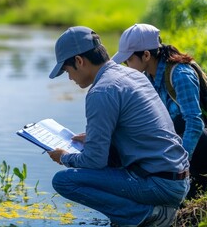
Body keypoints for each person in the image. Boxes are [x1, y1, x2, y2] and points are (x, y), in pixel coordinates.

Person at [47, 26, 190, 227]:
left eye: (66, 70)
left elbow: (94, 160)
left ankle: (147, 215)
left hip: (160, 185)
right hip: (179, 180)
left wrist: (64, 157)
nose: (69, 78)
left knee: (64, 181)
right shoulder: (132, 75)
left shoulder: (101, 91)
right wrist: (93, 138)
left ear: (79, 61)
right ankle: (141, 212)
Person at [112, 23, 207, 199]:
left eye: (128, 60)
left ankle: (184, 178)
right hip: (189, 147)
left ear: (145, 55)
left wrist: (179, 165)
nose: (126, 65)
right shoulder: (148, 78)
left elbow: (195, 123)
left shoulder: (180, 74)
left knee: (179, 123)